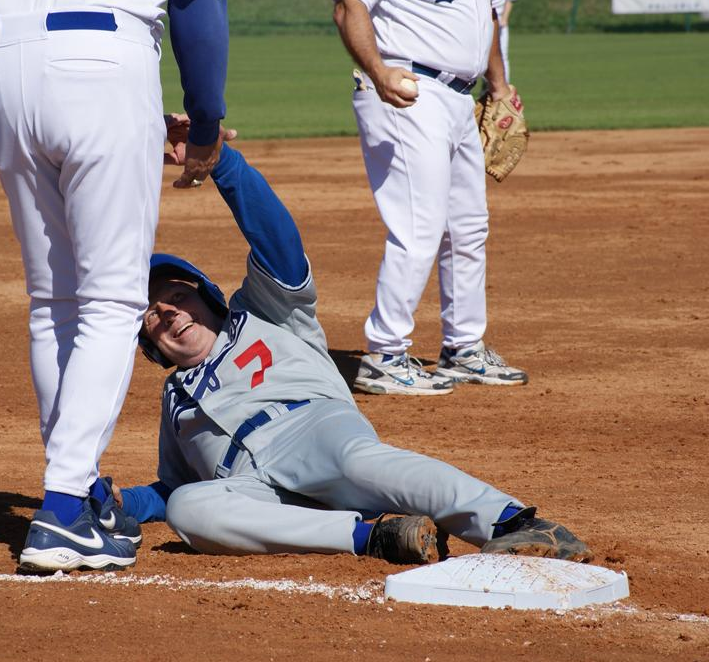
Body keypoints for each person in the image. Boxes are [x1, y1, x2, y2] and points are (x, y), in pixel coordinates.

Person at [116, 141, 591, 564]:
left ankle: (511, 522)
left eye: (178, 297)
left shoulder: (263, 311)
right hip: (258, 491)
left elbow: (278, 242)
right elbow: (178, 486)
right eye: (153, 315)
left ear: (207, 297)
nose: (169, 313)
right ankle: (375, 537)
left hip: (312, 429)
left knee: (354, 462)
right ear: (151, 345)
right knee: (189, 509)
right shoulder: (174, 399)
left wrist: (223, 163)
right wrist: (127, 502)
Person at [0, 0, 228, 572]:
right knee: (112, 301)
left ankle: (79, 494)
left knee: (56, 300)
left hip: (3, 67)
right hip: (104, 61)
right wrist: (204, 120)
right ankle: (62, 506)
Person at [333, 0, 529, 396]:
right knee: (418, 224)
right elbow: (347, 7)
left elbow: (486, 19)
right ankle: (385, 355)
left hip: (458, 97)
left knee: (467, 227)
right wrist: (378, 71)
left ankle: (463, 347)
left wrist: (499, 86)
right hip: (406, 88)